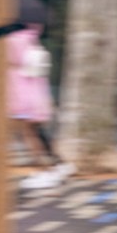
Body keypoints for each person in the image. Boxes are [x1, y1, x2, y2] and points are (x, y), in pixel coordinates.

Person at [7, 23, 74, 188]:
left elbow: (11, 62)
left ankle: (46, 171)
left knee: (29, 134)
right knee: (35, 132)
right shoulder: (30, 38)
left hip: (22, 95)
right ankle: (58, 165)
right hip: (34, 93)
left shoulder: (14, 40)